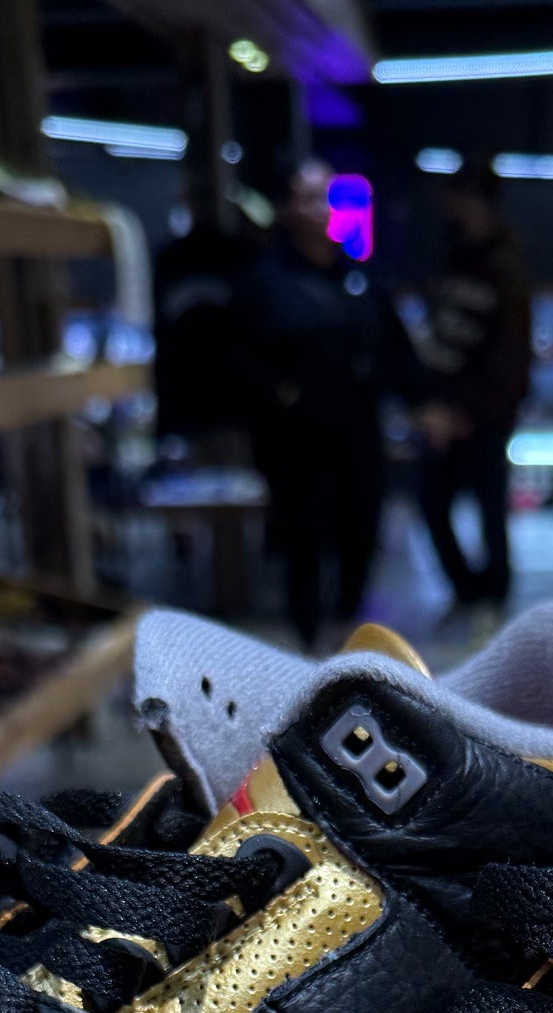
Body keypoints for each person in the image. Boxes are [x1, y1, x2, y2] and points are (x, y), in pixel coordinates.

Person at [234, 159, 422, 647]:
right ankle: (307, 642)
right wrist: (281, 397)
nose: (319, 209)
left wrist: (423, 403)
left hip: (358, 432)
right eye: (308, 198)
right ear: (287, 208)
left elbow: (393, 350)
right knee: (303, 541)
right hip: (295, 439)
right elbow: (240, 359)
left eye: (326, 198)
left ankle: (347, 629)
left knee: (360, 533)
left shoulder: (359, 277)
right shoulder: (264, 282)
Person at [413, 162, 532, 615]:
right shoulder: (451, 255)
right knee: (437, 503)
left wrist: (470, 410)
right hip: (447, 409)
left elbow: (509, 355)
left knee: (487, 506)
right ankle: (470, 595)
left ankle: (490, 600)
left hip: (482, 412)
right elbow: (441, 338)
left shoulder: (504, 266)